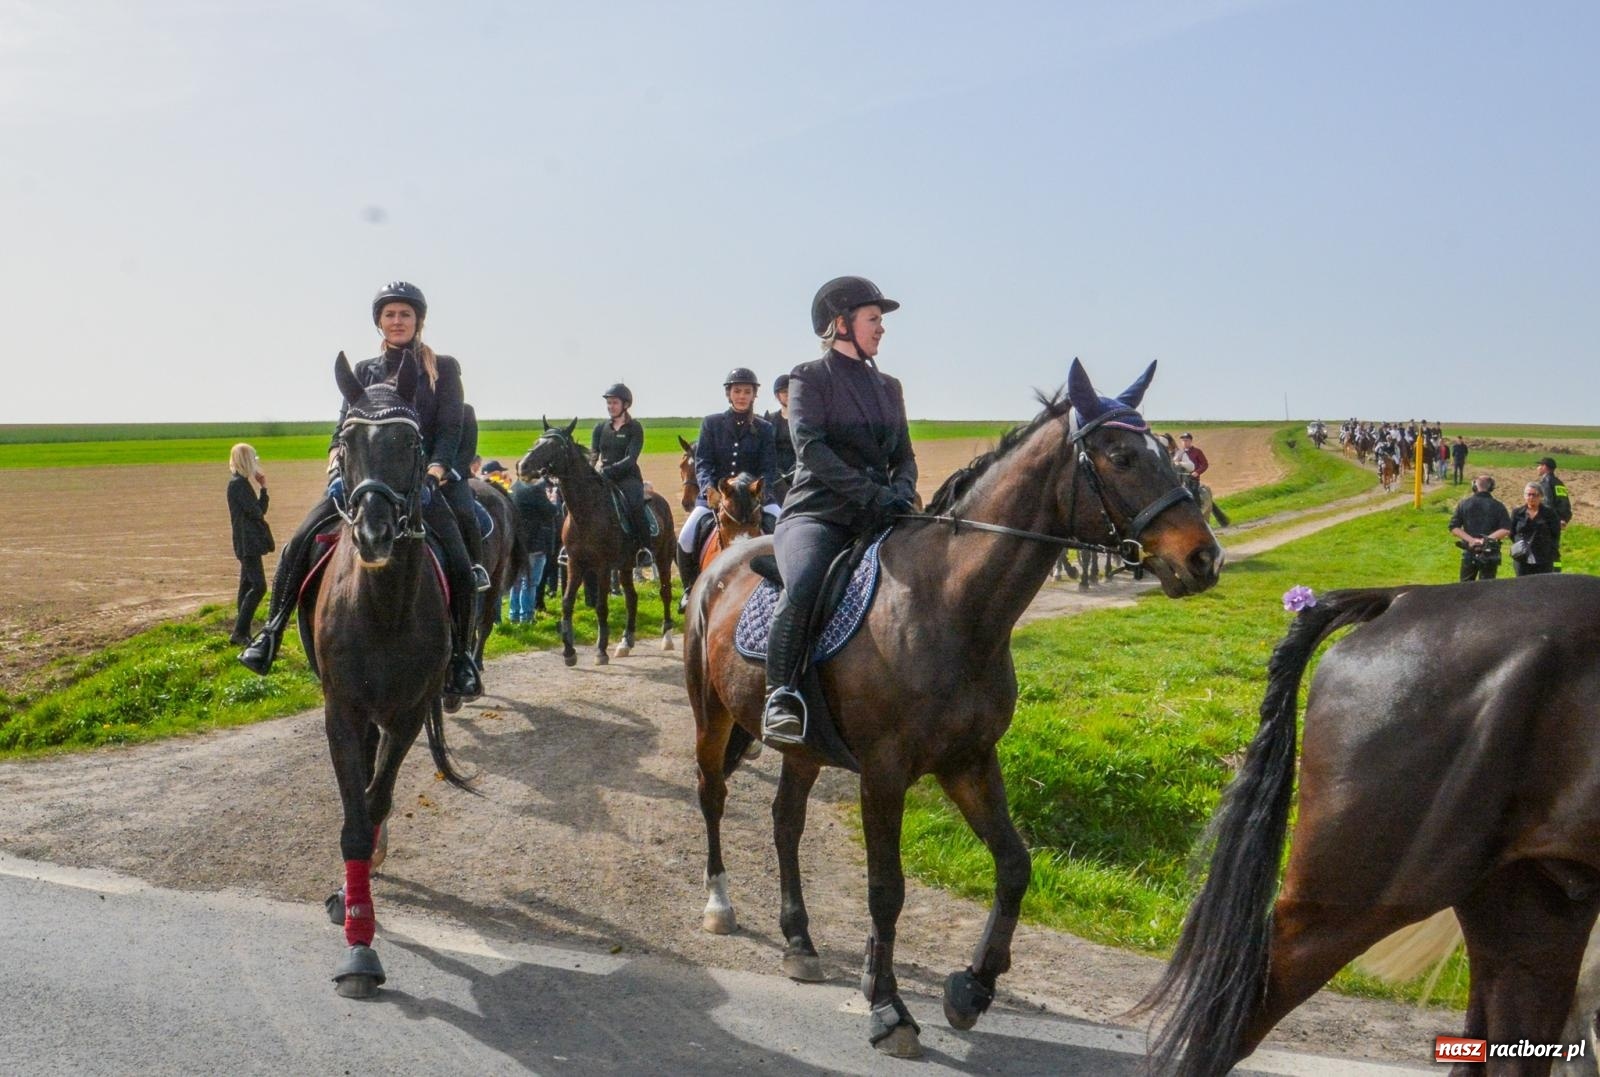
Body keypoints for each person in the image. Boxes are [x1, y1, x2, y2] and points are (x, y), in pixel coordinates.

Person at [238, 281, 483, 699]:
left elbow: (449, 428)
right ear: (379, 322)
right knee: (298, 542)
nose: (397, 320)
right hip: (366, 480)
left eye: (405, 314)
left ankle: (461, 657)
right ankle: (270, 633)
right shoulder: (365, 370)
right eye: (389, 314)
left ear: (418, 320)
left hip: (422, 481)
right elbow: (342, 429)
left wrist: (435, 472)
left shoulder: (442, 367)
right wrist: (335, 463)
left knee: (462, 558)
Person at [761, 276, 918, 746]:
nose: (881, 329)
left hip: (883, 514)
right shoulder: (808, 377)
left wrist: (903, 492)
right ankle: (781, 693)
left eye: (881, 321)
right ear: (841, 324)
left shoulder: (889, 387)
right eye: (874, 319)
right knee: (806, 580)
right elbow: (810, 449)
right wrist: (875, 494)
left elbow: (904, 456)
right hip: (817, 513)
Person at [676, 367, 780, 605]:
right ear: (728, 394)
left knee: (785, 529)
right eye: (737, 391)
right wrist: (708, 489)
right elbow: (703, 462)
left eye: (746, 391)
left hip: (754, 497)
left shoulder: (764, 428)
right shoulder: (711, 424)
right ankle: (689, 588)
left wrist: (762, 490)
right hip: (718, 495)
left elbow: (768, 466)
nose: (741, 396)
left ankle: (787, 587)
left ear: (754, 395)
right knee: (686, 536)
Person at [592, 383, 653, 567]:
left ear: (625, 405)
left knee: (635, 505)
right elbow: (593, 455)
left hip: (628, 477)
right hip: (603, 477)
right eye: (608, 403)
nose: (611, 407)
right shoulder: (600, 428)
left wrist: (609, 471)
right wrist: (589, 471)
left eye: (614, 403)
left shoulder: (635, 428)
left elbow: (631, 458)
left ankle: (644, 548)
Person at [226, 443, 275, 645]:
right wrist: (263, 488)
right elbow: (257, 512)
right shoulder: (238, 485)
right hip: (248, 543)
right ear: (246, 461)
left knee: (246, 585)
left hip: (247, 542)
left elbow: (258, 511)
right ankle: (239, 632)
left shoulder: (242, 483)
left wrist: (262, 488)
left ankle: (241, 631)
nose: (256, 463)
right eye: (254, 459)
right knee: (259, 586)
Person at [508, 474, 557, 622]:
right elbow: (551, 512)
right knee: (530, 582)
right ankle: (526, 616)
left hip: (516, 542)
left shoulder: (514, 487)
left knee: (516, 581)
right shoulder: (535, 490)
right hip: (535, 542)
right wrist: (552, 500)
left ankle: (513, 614)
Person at [1447, 475, 1511, 582]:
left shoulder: (1464, 504)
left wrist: (1472, 540)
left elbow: (1454, 527)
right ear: (1491, 487)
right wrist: (1486, 539)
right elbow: (1505, 529)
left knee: (1465, 587)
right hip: (1490, 551)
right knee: (1487, 589)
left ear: (1474, 486)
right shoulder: (1498, 506)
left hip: (1470, 549)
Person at [1510, 482, 1562, 577]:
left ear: (1541, 496)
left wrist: (1551, 550)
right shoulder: (1517, 513)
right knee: (1523, 585)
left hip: (1544, 557)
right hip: (1522, 557)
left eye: (1534, 495)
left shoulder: (1549, 513)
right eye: (1528, 494)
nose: (1531, 498)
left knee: (1542, 585)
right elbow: (1511, 533)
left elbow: (1555, 533)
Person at [1534, 457, 1572, 571]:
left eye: (1539, 465)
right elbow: (1565, 503)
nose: (1537, 468)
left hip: (1548, 521)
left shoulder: (1545, 482)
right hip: (1559, 521)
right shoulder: (1559, 483)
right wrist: (1563, 519)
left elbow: (1547, 503)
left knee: (1544, 548)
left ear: (1545, 467)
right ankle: (1557, 573)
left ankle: (1546, 574)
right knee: (1554, 549)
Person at [764, 373, 796, 500]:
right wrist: (776, 471)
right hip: (776, 472)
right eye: (784, 392)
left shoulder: (805, 420)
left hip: (799, 469)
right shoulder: (770, 420)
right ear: (777, 396)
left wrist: (794, 470)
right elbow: (766, 449)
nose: (789, 395)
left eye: (792, 391)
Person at [1178, 433, 1209, 497]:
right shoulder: (1179, 453)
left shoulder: (1197, 451)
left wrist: (1197, 472)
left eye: (1186, 440)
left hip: (1192, 479)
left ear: (1191, 441)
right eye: (1183, 440)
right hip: (1180, 479)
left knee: (1194, 494)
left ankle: (1198, 506)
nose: (1184, 442)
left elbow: (1205, 464)